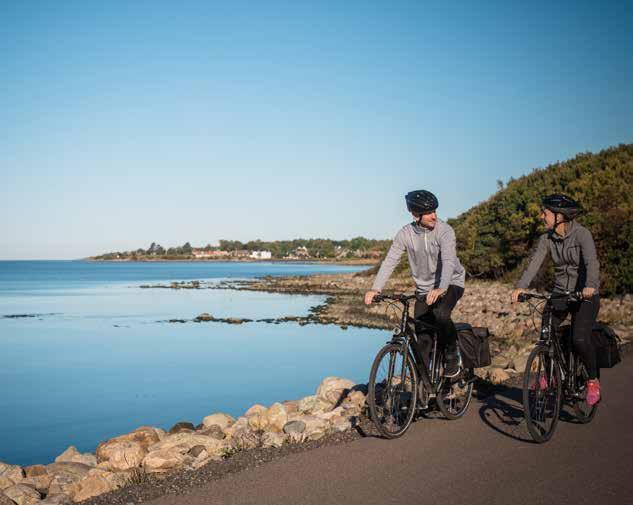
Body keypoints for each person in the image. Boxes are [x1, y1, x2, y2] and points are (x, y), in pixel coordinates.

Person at [511, 194, 601, 405]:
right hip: (560, 293)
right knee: (545, 333)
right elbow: (534, 264)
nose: (542, 216)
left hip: (583, 295)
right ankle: (549, 375)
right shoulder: (546, 239)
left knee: (579, 339)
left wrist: (591, 286)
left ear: (559, 216)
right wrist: (520, 287)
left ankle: (592, 380)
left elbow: (592, 262)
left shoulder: (582, 235)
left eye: (546, 213)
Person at [364, 190, 466, 377]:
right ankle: (423, 394)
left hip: (451, 282)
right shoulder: (405, 234)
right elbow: (390, 260)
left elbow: (449, 261)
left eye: (435, 211)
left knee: (441, 314)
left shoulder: (445, 231)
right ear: (415, 214)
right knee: (422, 341)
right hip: (424, 289)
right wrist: (375, 288)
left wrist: (442, 288)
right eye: (428, 213)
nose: (434, 216)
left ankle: (453, 355)